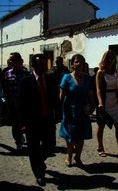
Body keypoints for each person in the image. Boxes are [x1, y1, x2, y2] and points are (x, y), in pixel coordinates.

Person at [18, 53, 58, 186]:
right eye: (38, 63)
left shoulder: (51, 79)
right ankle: (39, 173)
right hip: (32, 122)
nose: (41, 66)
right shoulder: (25, 81)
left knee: (50, 147)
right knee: (34, 149)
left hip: (48, 120)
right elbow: (21, 104)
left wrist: (58, 115)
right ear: (33, 65)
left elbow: (55, 99)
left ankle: (38, 162)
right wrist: (22, 123)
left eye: (43, 63)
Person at [59, 54, 95, 167]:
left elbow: (91, 95)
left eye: (81, 62)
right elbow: (61, 97)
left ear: (84, 64)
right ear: (72, 64)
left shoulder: (88, 79)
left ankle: (78, 156)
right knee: (70, 136)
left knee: (81, 136)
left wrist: (92, 107)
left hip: (83, 112)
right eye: (76, 61)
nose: (78, 64)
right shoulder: (66, 77)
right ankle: (69, 156)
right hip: (70, 112)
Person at [95, 50, 118, 162]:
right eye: (108, 58)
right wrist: (100, 103)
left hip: (113, 102)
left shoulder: (115, 73)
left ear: (115, 60)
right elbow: (98, 89)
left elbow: (116, 88)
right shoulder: (100, 72)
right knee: (101, 126)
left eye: (112, 58)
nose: (110, 60)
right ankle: (100, 147)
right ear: (104, 59)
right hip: (104, 102)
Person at [2, 52, 29, 150]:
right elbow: (5, 88)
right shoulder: (7, 73)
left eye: (12, 60)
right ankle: (18, 141)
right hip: (13, 103)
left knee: (24, 122)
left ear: (18, 61)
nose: (10, 61)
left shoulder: (26, 73)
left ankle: (22, 135)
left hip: (24, 104)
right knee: (15, 123)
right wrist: (8, 99)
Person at [51, 56, 70, 123]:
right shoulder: (54, 69)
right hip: (55, 88)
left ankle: (63, 116)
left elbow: (68, 76)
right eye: (56, 61)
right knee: (56, 103)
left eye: (58, 61)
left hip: (64, 89)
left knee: (63, 103)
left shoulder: (65, 69)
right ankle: (57, 117)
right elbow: (51, 78)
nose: (57, 63)